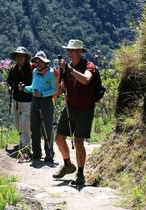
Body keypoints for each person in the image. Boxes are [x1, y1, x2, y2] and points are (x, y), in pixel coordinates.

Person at [53, 39, 97, 185]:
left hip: (85, 108)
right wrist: (58, 77)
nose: (69, 53)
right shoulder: (68, 68)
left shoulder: (89, 65)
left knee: (78, 141)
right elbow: (58, 93)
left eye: (72, 50)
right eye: (68, 50)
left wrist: (69, 70)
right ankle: (67, 165)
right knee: (59, 138)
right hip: (70, 107)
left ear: (80, 52)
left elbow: (86, 80)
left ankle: (80, 173)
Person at [19, 51, 56, 162]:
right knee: (34, 127)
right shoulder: (35, 71)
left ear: (45, 62)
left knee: (47, 128)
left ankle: (49, 154)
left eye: (40, 61)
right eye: (36, 61)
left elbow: (54, 90)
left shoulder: (51, 73)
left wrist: (42, 94)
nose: (38, 63)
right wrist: (25, 88)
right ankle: (36, 153)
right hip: (35, 101)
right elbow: (34, 87)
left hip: (46, 102)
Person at [7, 46, 33, 154]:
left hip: (28, 100)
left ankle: (25, 147)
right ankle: (23, 143)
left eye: (21, 56)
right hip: (16, 99)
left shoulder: (31, 69)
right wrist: (9, 87)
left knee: (25, 123)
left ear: (25, 57)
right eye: (18, 56)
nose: (19, 58)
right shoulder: (14, 69)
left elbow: (34, 83)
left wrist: (25, 87)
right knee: (17, 123)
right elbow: (9, 80)